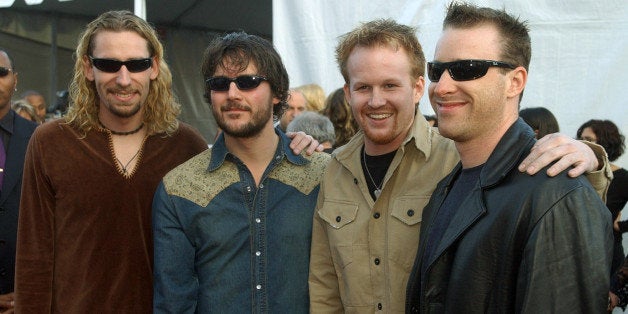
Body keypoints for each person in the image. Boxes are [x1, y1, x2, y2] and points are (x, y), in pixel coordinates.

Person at [13, 11, 321, 314]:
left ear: (154, 67)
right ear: (88, 68)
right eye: (108, 64)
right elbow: (33, 258)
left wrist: (297, 145)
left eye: (137, 64)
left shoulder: (184, 146)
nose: (124, 78)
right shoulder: (50, 142)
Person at [308, 18, 611, 313]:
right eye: (439, 71)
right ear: (348, 93)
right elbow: (325, 286)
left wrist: (591, 159)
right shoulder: (337, 169)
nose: (376, 101)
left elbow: (563, 222)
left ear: (416, 88)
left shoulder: (459, 158)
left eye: (467, 69)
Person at [405, 3, 612, 313]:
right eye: (437, 70)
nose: (442, 86)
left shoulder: (557, 197)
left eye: (467, 69)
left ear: (515, 82)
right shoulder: (447, 187)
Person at [152, 31, 330, 313]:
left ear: (278, 95)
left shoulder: (323, 174)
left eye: (248, 82)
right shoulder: (180, 189)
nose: (232, 94)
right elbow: (174, 303)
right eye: (220, 84)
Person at [0, 48, 38, 314]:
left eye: (1, 73)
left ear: (15, 80)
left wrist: (30, 291)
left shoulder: (41, 139)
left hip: (26, 295)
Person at [577, 120, 627, 275]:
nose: (583, 143)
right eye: (581, 138)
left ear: (606, 143)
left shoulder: (623, 178)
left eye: (589, 140)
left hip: (607, 253)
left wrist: (621, 226)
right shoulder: (574, 172)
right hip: (577, 252)